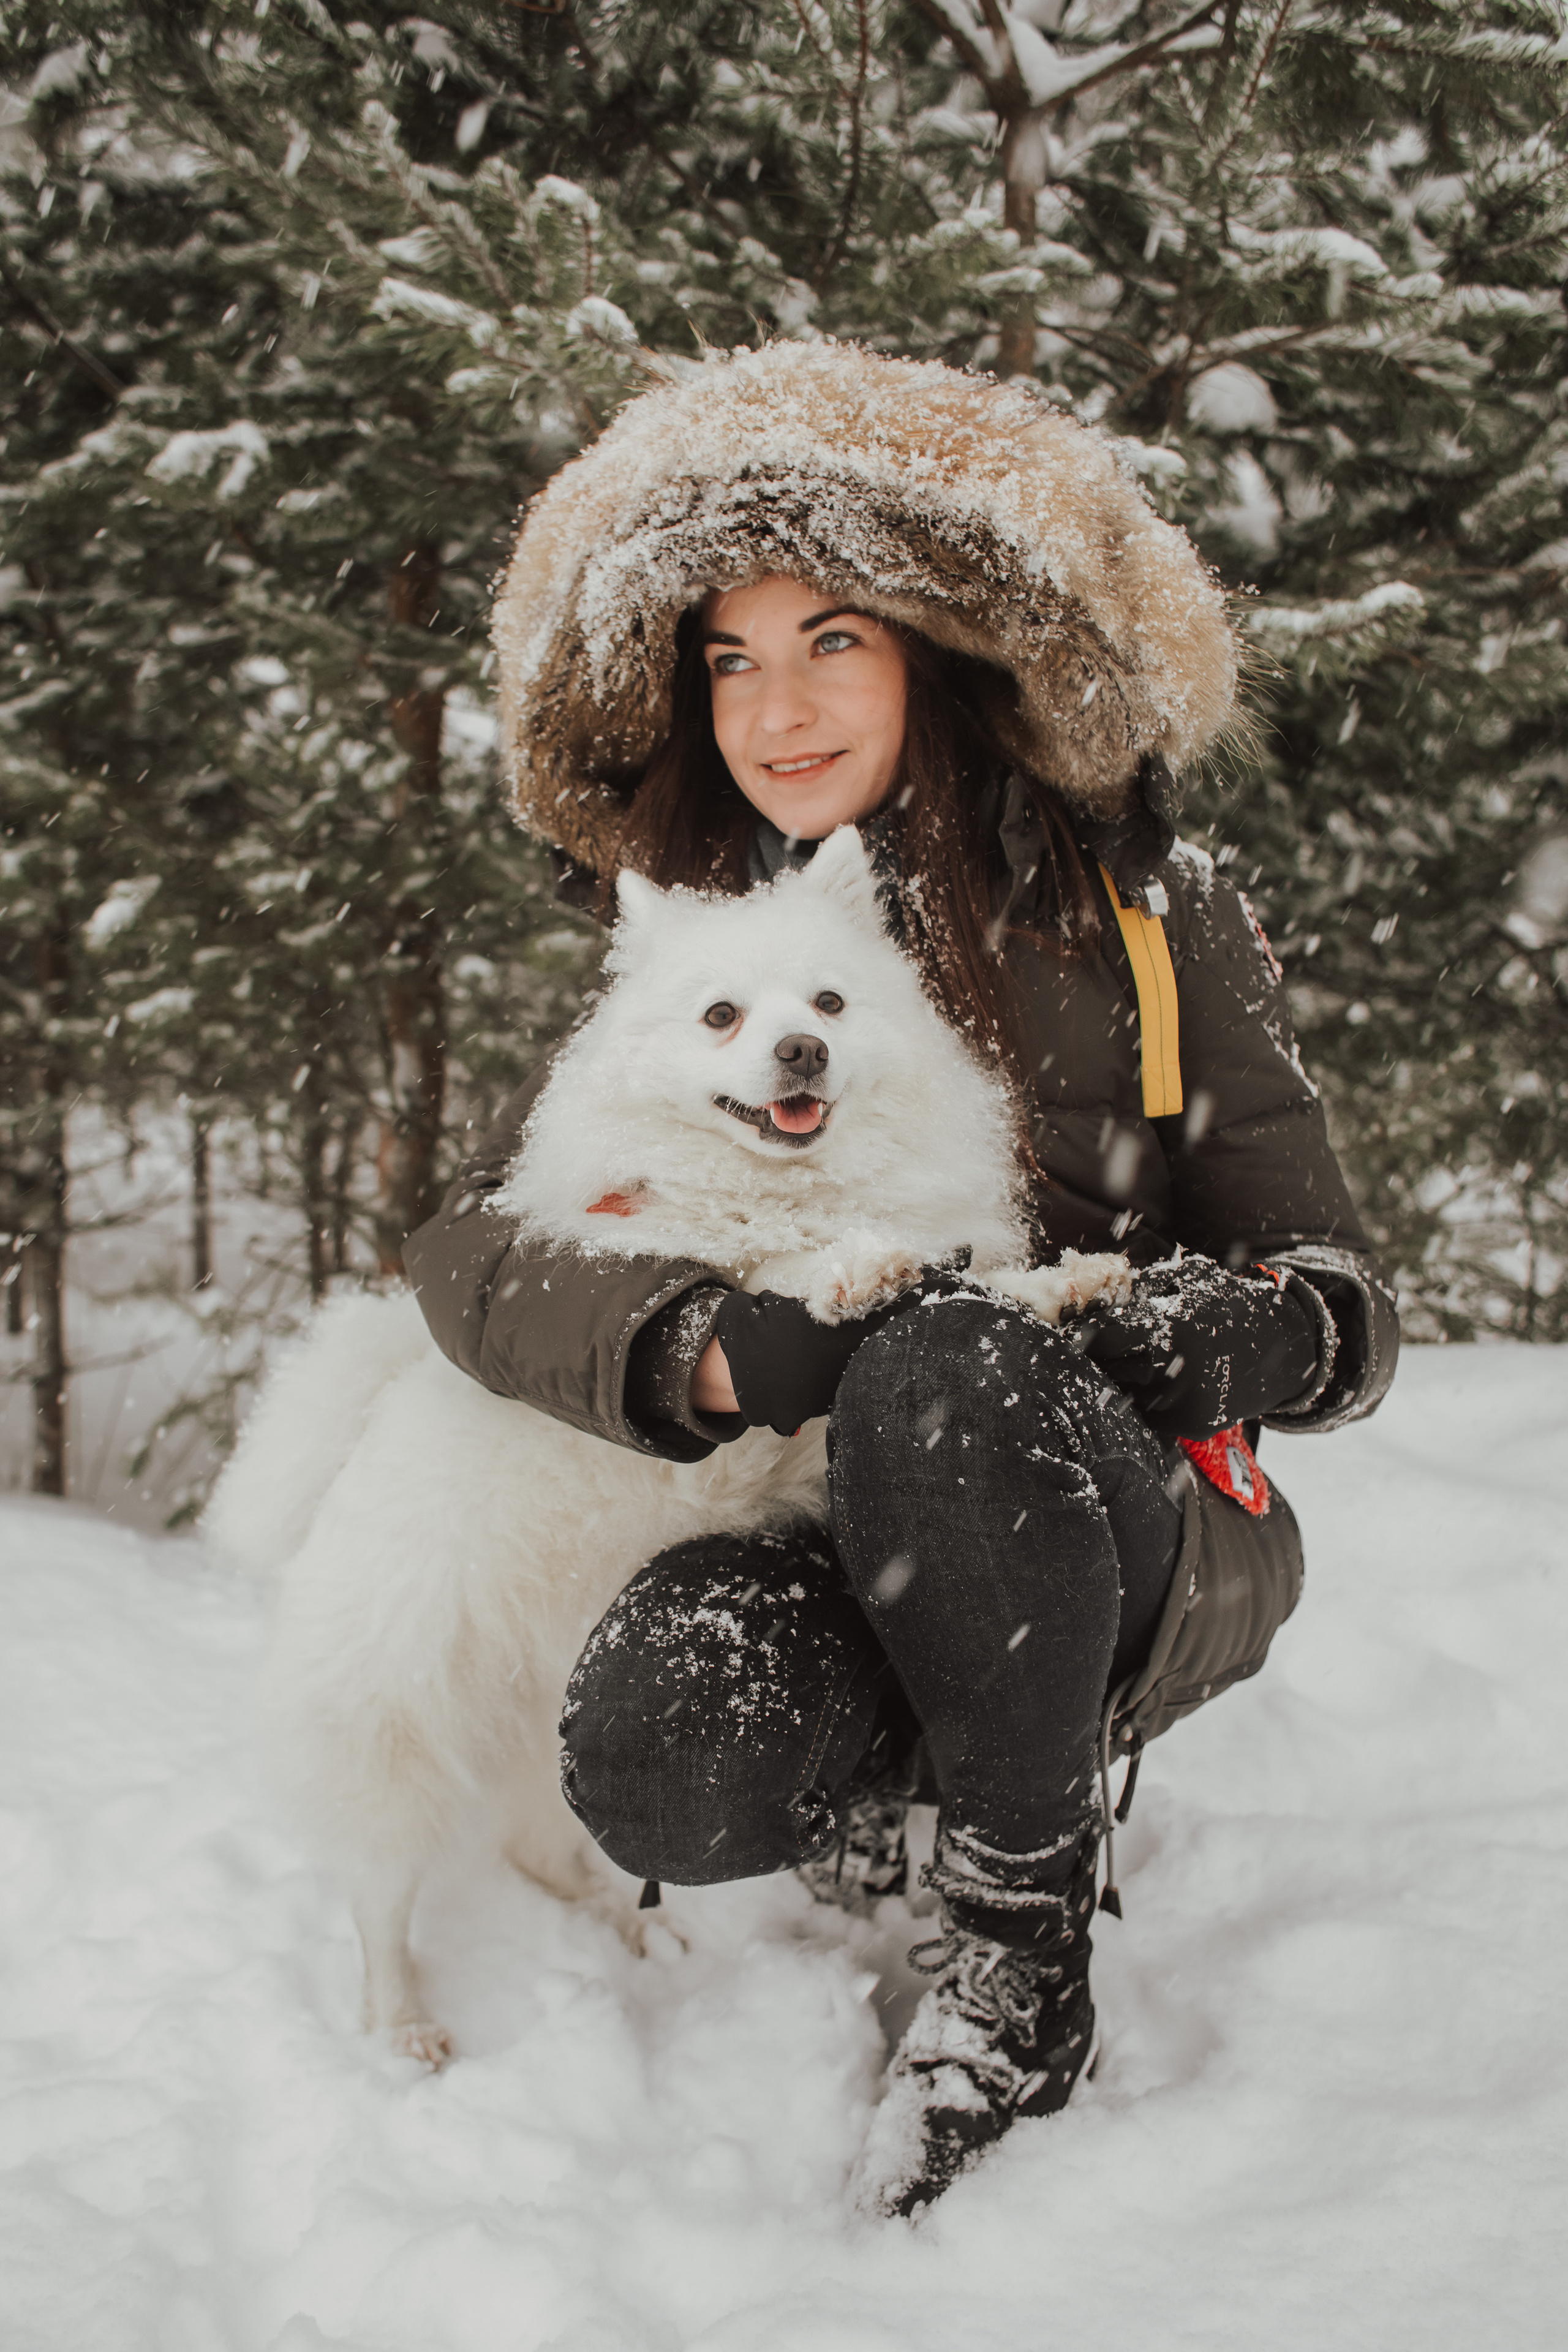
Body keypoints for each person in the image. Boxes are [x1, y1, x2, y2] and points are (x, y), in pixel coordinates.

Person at [404, 344, 1398, 2215]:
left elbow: (1344, 1296)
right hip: (822, 1513)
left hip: (1136, 1513)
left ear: (939, 645)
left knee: (938, 1361)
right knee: (659, 1747)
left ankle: (1020, 1952)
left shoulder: (1144, 913)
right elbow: (473, 1248)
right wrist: (689, 1346)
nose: (774, 707)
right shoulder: (704, 930)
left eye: (833, 639)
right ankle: (905, 1770)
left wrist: (1237, 1323)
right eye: (728, 658)